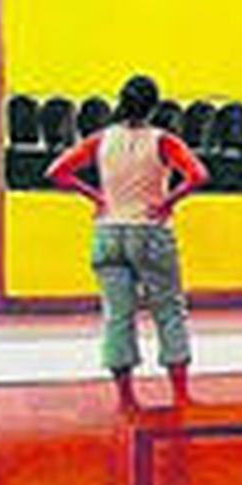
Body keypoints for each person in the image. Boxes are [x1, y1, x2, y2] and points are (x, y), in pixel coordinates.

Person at [46, 73, 210, 413]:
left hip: (108, 232)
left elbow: (56, 171)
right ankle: (180, 396)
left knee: (117, 315)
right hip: (149, 231)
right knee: (169, 311)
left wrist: (97, 197)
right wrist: (167, 202)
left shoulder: (101, 139)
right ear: (153, 106)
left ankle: (126, 399)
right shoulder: (163, 141)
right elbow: (198, 175)